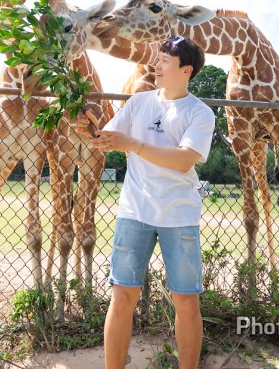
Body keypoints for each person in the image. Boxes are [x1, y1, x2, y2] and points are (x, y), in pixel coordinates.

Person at [76, 35, 215, 369]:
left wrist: (133, 144)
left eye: (165, 59)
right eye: (158, 58)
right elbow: (106, 141)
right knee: (122, 297)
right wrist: (87, 129)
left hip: (178, 215)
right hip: (133, 212)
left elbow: (184, 160)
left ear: (186, 70)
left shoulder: (200, 113)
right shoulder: (139, 103)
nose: (157, 64)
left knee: (186, 301)